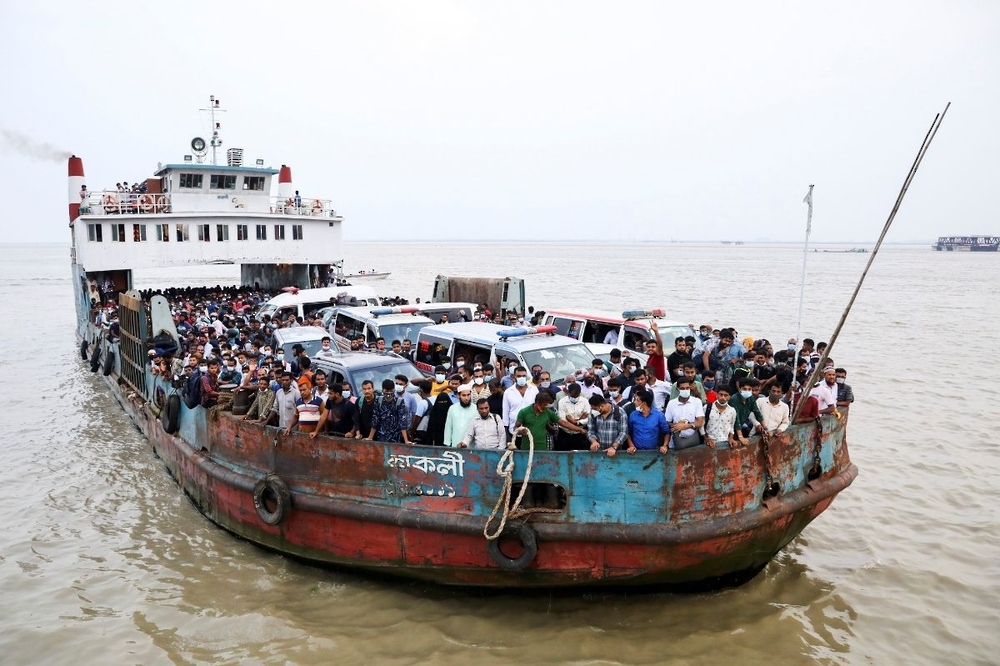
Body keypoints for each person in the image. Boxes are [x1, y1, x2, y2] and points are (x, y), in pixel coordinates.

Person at [513, 392, 579, 451]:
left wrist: (579, 430)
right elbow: (515, 428)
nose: (546, 407)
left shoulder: (548, 412)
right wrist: (521, 431)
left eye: (547, 405)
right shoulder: (524, 412)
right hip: (526, 448)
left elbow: (563, 423)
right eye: (544, 405)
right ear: (537, 403)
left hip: (541, 448)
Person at [625, 388, 670, 454]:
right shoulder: (633, 415)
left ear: (644, 403)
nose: (634, 402)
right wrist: (631, 446)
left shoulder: (659, 416)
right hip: (636, 452)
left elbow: (666, 432)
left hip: (654, 452)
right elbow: (628, 432)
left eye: (637, 400)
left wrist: (665, 445)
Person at [663, 377, 704, 450]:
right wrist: (677, 425)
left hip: (693, 440)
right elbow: (667, 422)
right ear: (677, 389)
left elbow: (700, 423)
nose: (685, 390)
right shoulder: (671, 403)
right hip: (677, 440)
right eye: (682, 388)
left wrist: (686, 425)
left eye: (687, 388)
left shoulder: (697, 402)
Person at [502, 366, 538, 439]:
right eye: (519, 376)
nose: (521, 378)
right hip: (514, 431)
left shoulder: (534, 390)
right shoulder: (508, 392)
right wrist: (506, 431)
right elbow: (505, 412)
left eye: (524, 376)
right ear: (514, 377)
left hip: (532, 430)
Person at [370, 379, 410, 443]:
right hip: (381, 437)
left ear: (394, 390)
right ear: (382, 390)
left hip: (395, 438)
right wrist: (370, 437)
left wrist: (406, 440)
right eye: (387, 391)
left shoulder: (399, 402)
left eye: (391, 390)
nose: (389, 393)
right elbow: (375, 420)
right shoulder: (378, 401)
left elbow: (402, 422)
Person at [556, 382, 591, 450]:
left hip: (579, 435)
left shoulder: (585, 401)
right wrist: (580, 418)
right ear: (568, 393)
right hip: (565, 433)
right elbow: (563, 420)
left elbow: (587, 418)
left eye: (576, 396)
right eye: (572, 396)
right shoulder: (562, 402)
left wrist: (575, 422)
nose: (574, 398)